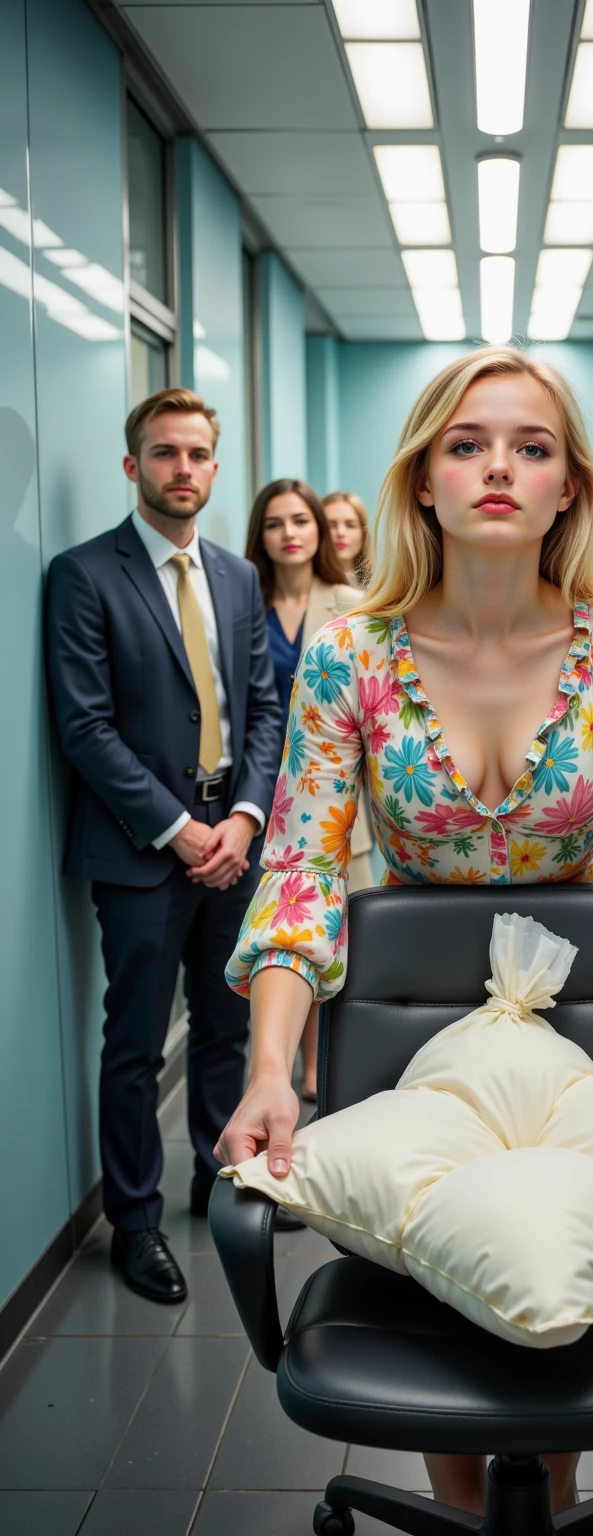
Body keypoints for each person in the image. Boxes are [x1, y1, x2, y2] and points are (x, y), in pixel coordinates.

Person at [215, 345, 593, 1515]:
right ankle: (478, 1511)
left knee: (558, 1275)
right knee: (447, 1284)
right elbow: (297, 873)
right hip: (401, 1027)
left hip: (586, 1021)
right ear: (422, 480)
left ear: (568, 490)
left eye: (531, 447)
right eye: (466, 443)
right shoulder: (353, 652)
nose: (499, 465)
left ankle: (533, 1497)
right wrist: (270, 1067)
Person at [45, 387, 280, 1305]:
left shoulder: (236, 575)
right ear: (132, 464)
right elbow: (85, 727)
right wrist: (183, 832)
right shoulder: (83, 573)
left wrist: (245, 820)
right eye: (164, 453)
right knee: (137, 1042)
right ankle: (134, 1222)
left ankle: (222, 1176)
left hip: (234, 839)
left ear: (217, 468)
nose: (182, 469)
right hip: (143, 851)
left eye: (197, 454)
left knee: (227, 1025)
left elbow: (264, 707)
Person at [244, 479, 375, 1103]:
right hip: (258, 800)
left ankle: (323, 1070)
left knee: (337, 939)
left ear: (319, 531)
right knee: (278, 940)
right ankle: (277, 1070)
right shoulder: (247, 603)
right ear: (260, 536)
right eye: (275, 523)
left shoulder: (353, 602)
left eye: (300, 520)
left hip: (336, 808)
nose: (289, 533)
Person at [323, 489, 373, 589]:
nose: (340, 533)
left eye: (350, 525)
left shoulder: (380, 588)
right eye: (331, 525)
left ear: (363, 533)